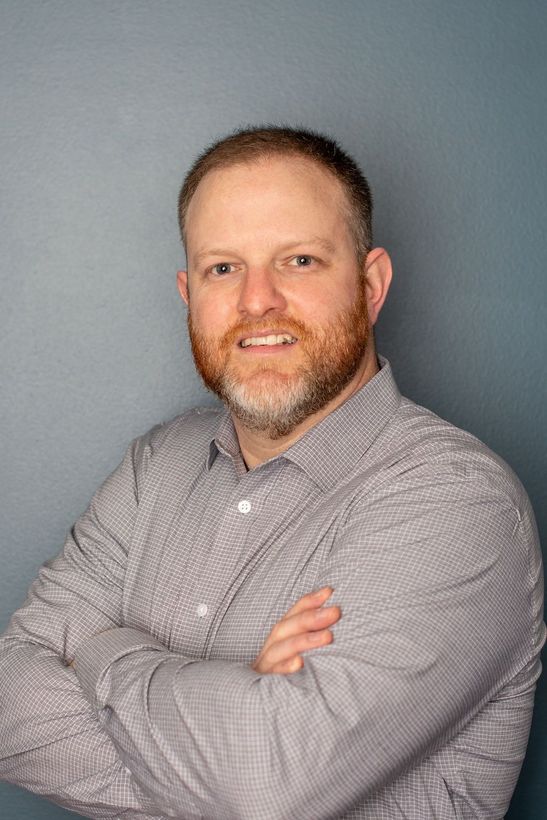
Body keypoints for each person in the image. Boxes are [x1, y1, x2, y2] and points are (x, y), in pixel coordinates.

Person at [0, 126, 544, 820]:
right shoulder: (154, 468)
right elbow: (11, 703)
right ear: (187, 292)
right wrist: (230, 715)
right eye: (222, 268)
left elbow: (266, 788)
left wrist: (104, 652)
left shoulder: (457, 503)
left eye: (299, 260)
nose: (257, 300)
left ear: (371, 284)